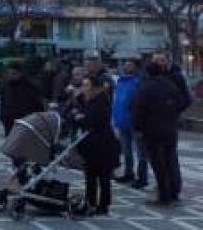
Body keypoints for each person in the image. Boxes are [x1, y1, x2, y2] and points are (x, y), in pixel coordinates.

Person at [132, 59, 186, 206]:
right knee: (170, 160)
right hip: (170, 128)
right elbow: (182, 101)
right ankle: (174, 191)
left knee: (158, 163)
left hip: (152, 130)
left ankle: (164, 195)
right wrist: (172, 113)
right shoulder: (170, 86)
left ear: (148, 73)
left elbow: (138, 110)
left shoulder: (146, 88)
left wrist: (138, 128)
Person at [73, 75, 120, 215]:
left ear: (96, 88)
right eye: (83, 85)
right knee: (90, 176)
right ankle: (90, 202)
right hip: (91, 144)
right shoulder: (87, 100)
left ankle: (103, 205)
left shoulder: (100, 102)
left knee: (103, 177)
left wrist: (81, 118)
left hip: (102, 145)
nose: (84, 88)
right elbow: (76, 114)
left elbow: (92, 121)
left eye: (87, 85)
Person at [111, 59, 147, 188]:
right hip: (122, 120)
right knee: (126, 151)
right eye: (125, 65)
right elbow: (117, 100)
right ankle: (128, 173)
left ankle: (142, 177)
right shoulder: (121, 81)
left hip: (135, 121)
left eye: (130, 65)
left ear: (137, 67)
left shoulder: (139, 82)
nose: (126, 67)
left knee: (140, 151)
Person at [0, 62, 44, 135]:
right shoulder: (6, 87)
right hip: (10, 124)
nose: (10, 75)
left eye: (13, 73)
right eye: (8, 73)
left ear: (20, 73)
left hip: (26, 123)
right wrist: (3, 117)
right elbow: (3, 102)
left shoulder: (30, 87)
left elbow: (38, 105)